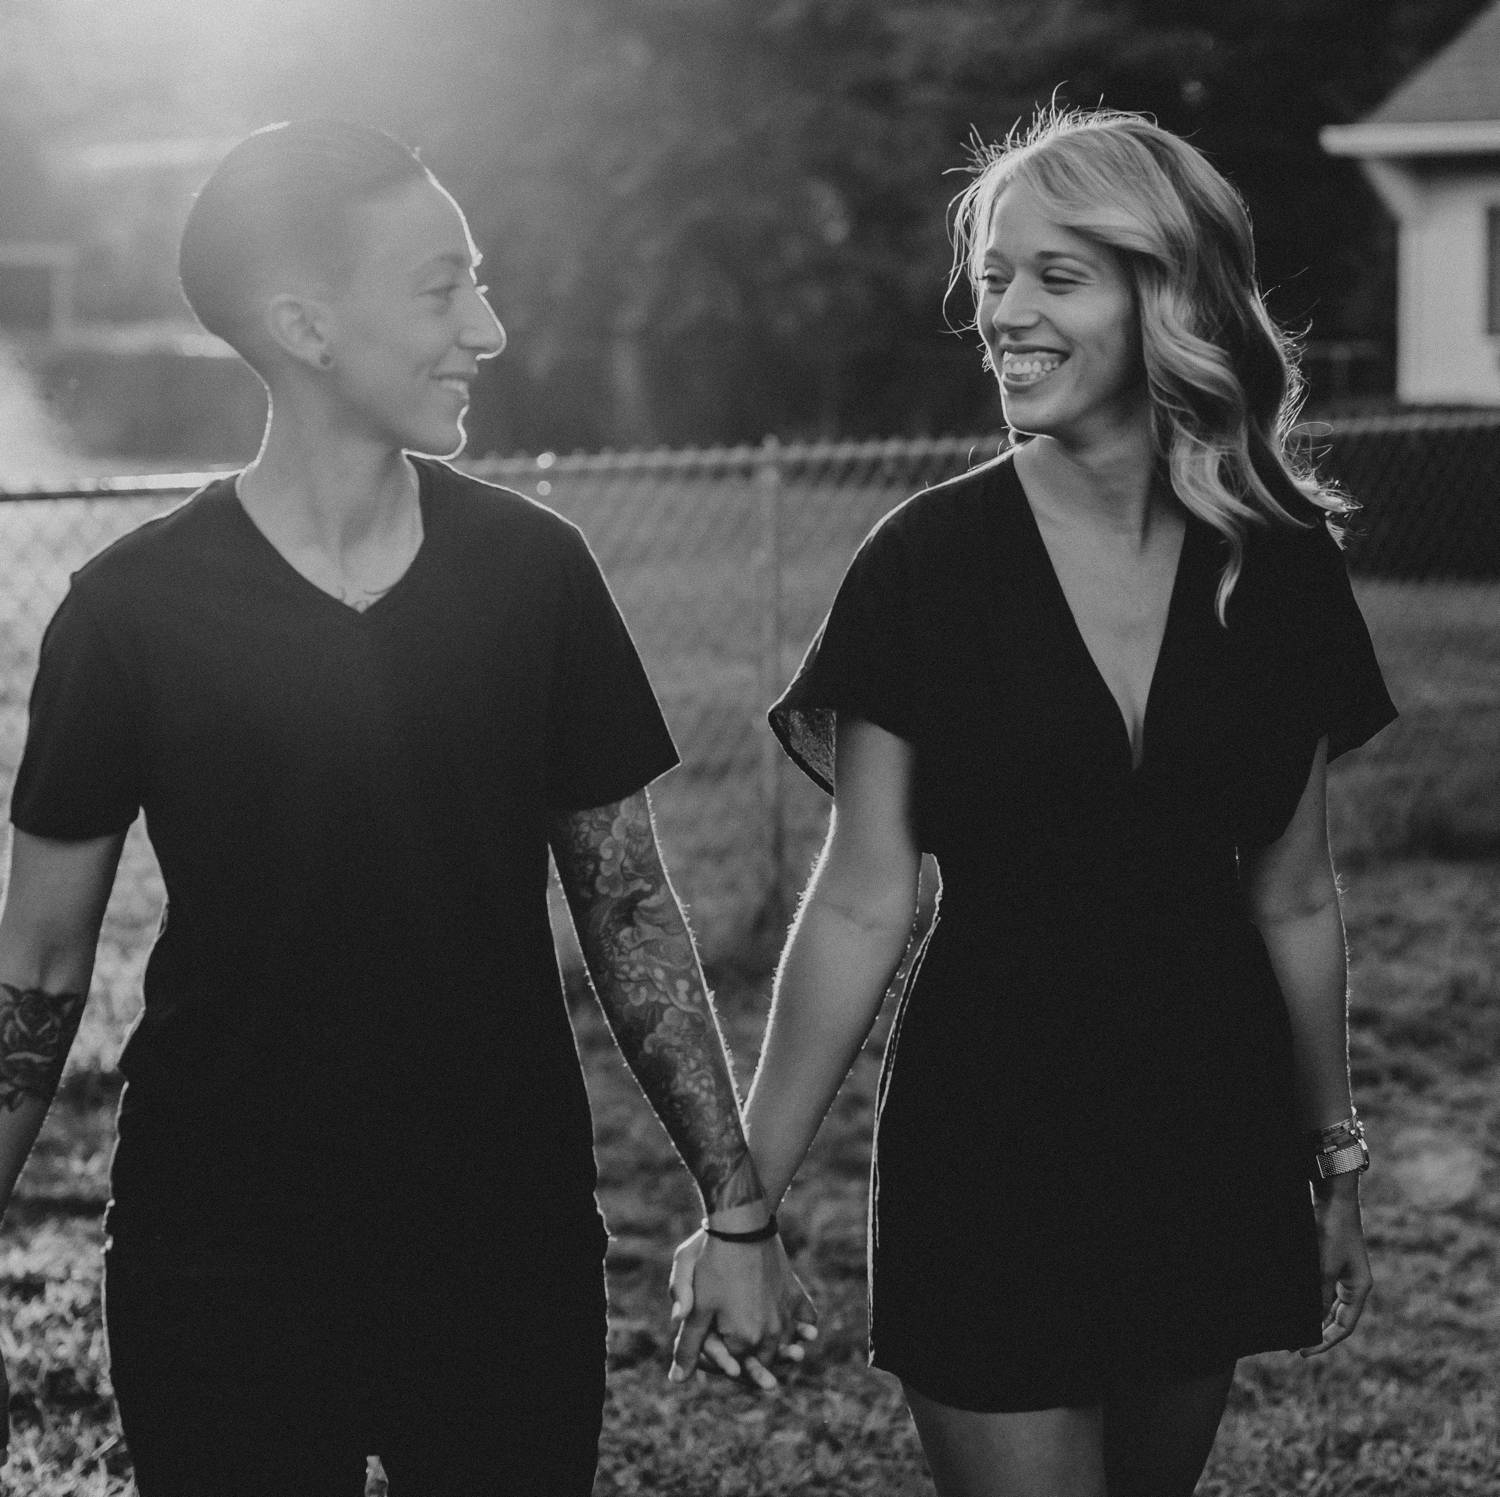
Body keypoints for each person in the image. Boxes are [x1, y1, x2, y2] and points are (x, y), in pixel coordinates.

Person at [0, 119, 808, 1497]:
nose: (486, 328)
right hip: (218, 1251)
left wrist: (737, 1204)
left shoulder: (535, 573)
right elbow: (39, 968)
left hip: (504, 1238)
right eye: (441, 287)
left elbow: (624, 903)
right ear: (305, 325)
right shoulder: (124, 612)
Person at [680, 107, 1396, 1495]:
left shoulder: (1285, 564)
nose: (1002, 312)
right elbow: (860, 895)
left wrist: (1334, 1156)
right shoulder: (924, 564)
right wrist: (743, 1199)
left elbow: (1295, 891)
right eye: (996, 275)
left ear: (1166, 295)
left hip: (1211, 1129)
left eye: (1055, 277)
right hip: (989, 1134)